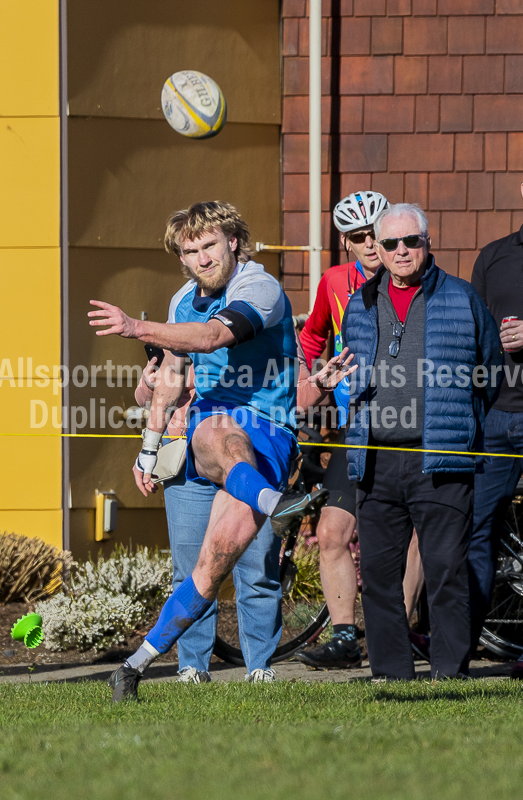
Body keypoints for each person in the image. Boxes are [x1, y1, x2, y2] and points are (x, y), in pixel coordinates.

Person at [88, 201, 355, 701]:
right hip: (210, 426)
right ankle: (134, 669)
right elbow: (171, 375)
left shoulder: (259, 286)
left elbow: (214, 336)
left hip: (268, 434)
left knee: (217, 565)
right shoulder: (181, 300)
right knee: (213, 432)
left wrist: (135, 327)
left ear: (233, 241)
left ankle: (214, 664)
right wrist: (148, 449)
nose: (201, 258)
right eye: (190, 251)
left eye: (209, 245)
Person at [342, 203, 502, 680]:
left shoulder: (462, 298)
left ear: (427, 243)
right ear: (379, 249)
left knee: (447, 571)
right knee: (379, 578)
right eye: (390, 244)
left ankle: (450, 672)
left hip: (442, 458)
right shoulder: (360, 302)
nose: (400, 251)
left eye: (411, 241)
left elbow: (489, 372)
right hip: (377, 458)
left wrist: (463, 428)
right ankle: (391, 674)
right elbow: (349, 370)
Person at [135, 340, 354, 683]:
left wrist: (319, 385)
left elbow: (295, 398)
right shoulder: (183, 324)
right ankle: (193, 666)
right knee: (192, 566)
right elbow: (148, 396)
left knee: (258, 566)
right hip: (186, 457)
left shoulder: (274, 329)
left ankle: (259, 666)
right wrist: (149, 385)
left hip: (255, 455)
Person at [296, 191, 425, 671]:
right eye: (359, 238)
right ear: (346, 244)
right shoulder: (333, 282)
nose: (372, 244)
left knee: (417, 533)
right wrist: (317, 380)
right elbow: (312, 335)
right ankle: (345, 637)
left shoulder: (417, 276)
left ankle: (399, 631)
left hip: (414, 426)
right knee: (332, 533)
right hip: (359, 426)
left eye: (377, 233)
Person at [467, 156, 523, 679]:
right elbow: (472, 337)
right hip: (494, 417)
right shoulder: (492, 258)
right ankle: (459, 644)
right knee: (475, 529)